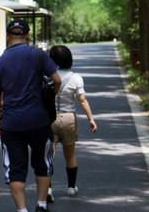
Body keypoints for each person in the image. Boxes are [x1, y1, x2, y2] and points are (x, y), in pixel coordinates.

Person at [0, 19, 61, 212]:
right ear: (27, 35)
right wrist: (48, 99)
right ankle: (42, 204)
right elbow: (57, 80)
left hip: (11, 124)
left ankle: (22, 209)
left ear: (7, 37)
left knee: (15, 169)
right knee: (43, 163)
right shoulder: (38, 54)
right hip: (39, 120)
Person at [49, 45, 97, 197]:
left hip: (49, 117)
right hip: (68, 117)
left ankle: (48, 188)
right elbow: (82, 100)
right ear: (70, 59)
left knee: (49, 154)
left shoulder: (47, 76)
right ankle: (71, 187)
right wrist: (91, 119)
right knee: (70, 155)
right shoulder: (75, 77)